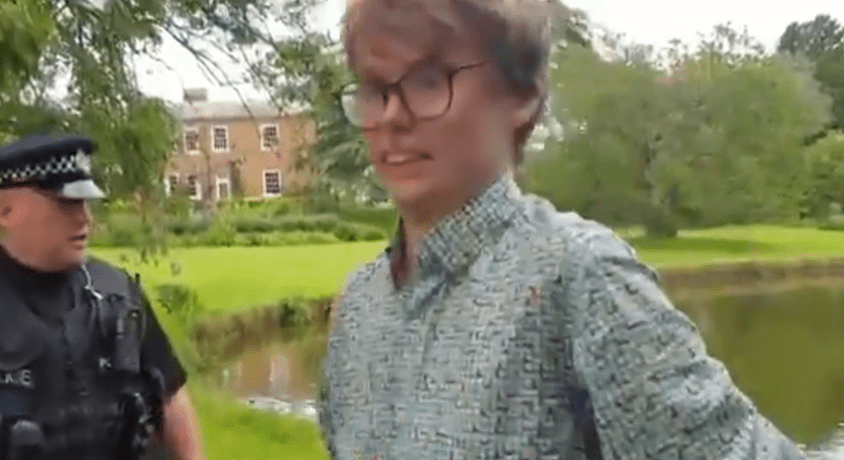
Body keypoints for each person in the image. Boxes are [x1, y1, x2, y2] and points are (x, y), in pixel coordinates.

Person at [317, 0, 834, 459]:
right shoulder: (361, 305)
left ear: (522, 95)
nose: (389, 117)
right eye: (374, 89)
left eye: (428, 81)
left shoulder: (580, 274)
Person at [0, 134, 206, 460]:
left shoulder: (118, 294)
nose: (85, 219)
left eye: (85, 203)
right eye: (66, 204)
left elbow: (170, 397)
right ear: (4, 211)